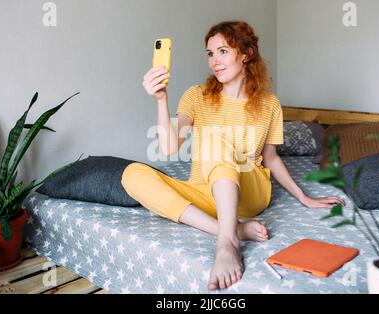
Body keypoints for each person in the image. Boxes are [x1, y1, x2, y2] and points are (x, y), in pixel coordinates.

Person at [122, 21, 345, 290]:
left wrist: (304, 197)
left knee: (216, 142)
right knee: (132, 174)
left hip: (249, 193)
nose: (214, 61)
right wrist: (160, 100)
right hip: (205, 192)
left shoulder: (269, 104)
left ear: (246, 53)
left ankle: (227, 245)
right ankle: (234, 230)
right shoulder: (197, 95)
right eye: (210, 53)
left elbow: (271, 157)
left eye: (223, 51)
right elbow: (169, 148)